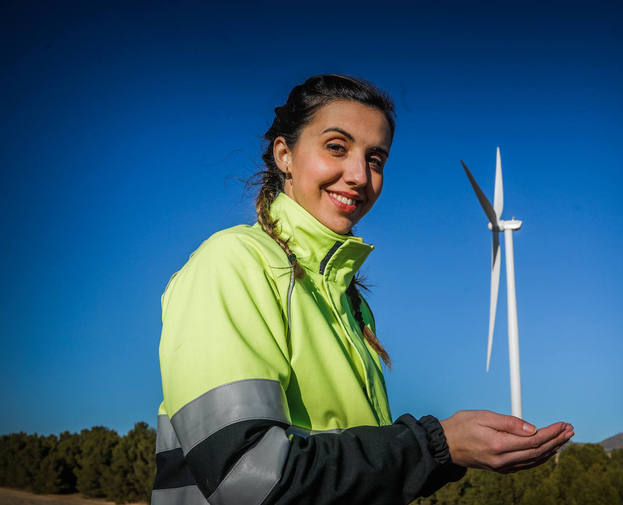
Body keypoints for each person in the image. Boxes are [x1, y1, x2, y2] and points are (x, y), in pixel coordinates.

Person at [151, 74, 574, 505]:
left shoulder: (350, 304)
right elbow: (246, 480)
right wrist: (437, 443)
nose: (358, 175)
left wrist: (448, 456)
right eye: (337, 147)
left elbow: (353, 481)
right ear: (285, 154)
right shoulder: (233, 263)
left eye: (376, 159)